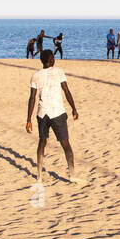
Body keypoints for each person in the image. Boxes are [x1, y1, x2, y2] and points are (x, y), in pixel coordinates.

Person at [26, 49, 80, 183]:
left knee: (42, 142)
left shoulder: (36, 75)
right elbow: (66, 91)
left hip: (42, 113)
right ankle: (72, 174)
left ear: (41, 61)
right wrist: (74, 108)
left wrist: (28, 119)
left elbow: (32, 98)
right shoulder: (59, 72)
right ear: (52, 60)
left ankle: (39, 175)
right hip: (57, 112)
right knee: (65, 144)